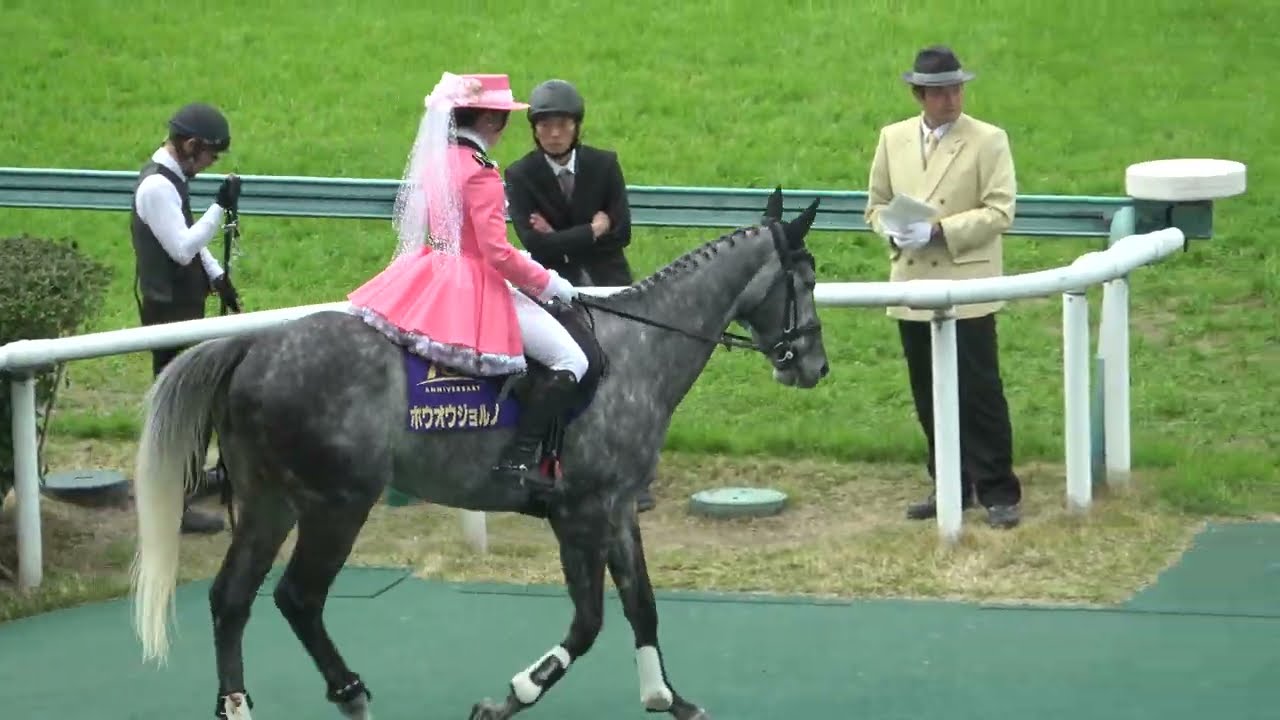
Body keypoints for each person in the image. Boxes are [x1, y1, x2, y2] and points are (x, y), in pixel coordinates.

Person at [346, 72, 585, 498]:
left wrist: (522, 259)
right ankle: (519, 457)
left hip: (432, 267)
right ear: (493, 122)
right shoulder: (481, 172)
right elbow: (494, 253)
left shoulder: (440, 160)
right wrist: (547, 282)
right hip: (472, 279)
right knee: (572, 359)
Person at [863, 45, 1023, 529]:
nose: (951, 99)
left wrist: (938, 230)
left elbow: (1000, 211)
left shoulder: (989, 140)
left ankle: (999, 490)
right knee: (927, 389)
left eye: (956, 89)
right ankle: (949, 482)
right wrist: (891, 229)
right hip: (912, 281)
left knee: (979, 389)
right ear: (919, 94)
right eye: (940, 92)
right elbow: (875, 204)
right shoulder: (892, 139)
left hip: (966, 280)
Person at [503, 79, 655, 511]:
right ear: (534, 130)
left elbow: (621, 231)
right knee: (569, 371)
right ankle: (558, 458)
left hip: (610, 282)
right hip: (556, 290)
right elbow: (534, 245)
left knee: (629, 376)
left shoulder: (605, 165)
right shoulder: (520, 174)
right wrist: (592, 229)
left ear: (576, 127)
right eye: (546, 125)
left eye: (563, 124)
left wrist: (564, 237)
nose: (554, 133)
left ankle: (637, 474)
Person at [131, 101, 243, 534]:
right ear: (191, 145)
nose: (212, 163)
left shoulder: (172, 179)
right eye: (210, 155)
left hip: (182, 305)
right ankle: (172, 504)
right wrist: (219, 209)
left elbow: (187, 236)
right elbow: (181, 247)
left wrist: (218, 277)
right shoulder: (157, 187)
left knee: (195, 400)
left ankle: (188, 483)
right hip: (169, 311)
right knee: (184, 407)